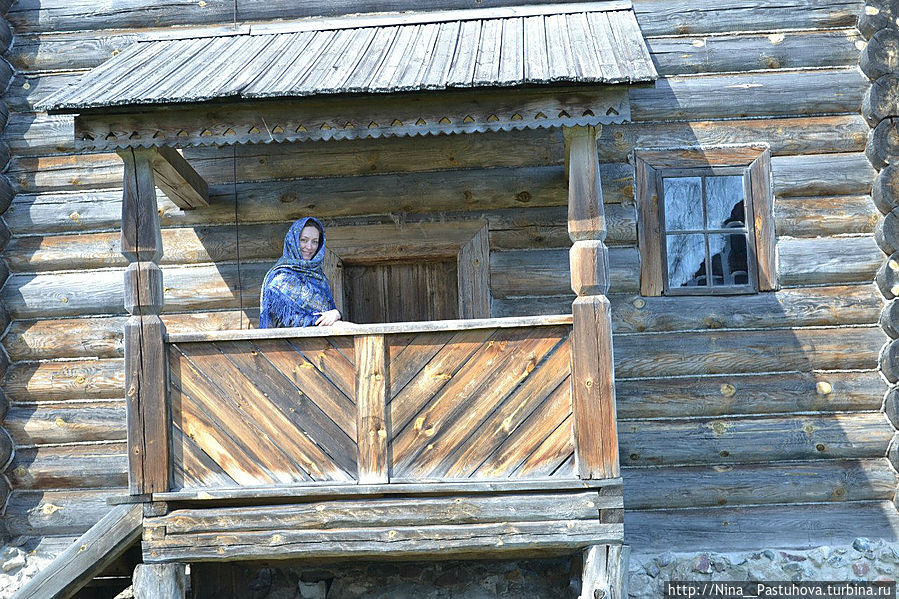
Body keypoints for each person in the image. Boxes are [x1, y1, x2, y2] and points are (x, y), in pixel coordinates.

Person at [259, 217, 342, 328]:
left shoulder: (319, 278)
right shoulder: (280, 278)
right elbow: (286, 321)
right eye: (304, 240)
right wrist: (322, 321)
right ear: (293, 241)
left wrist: (337, 314)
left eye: (315, 242)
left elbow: (329, 312)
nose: (309, 247)